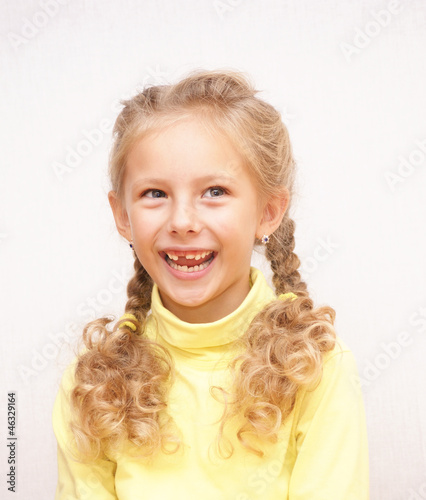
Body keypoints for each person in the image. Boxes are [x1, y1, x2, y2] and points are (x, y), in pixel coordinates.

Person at [52, 69, 369, 499]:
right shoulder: (92, 386)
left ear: (268, 212)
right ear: (123, 214)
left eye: (215, 191)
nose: (182, 222)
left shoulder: (317, 371)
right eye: (155, 194)